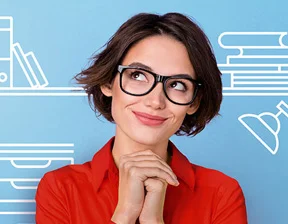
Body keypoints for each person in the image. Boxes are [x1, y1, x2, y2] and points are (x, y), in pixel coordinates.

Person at [35, 12, 248, 224]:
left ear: (194, 101)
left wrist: (153, 221)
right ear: (109, 82)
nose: (155, 101)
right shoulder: (61, 188)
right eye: (137, 75)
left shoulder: (221, 194)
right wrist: (126, 213)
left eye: (177, 85)